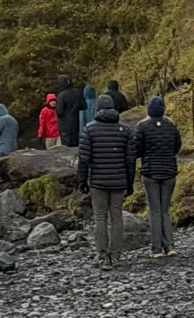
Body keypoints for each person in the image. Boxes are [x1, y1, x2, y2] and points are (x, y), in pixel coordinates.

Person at [78, 93, 136, 268]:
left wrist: (82, 180)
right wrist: (130, 182)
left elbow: (84, 159)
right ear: (113, 108)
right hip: (119, 181)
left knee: (100, 218)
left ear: (97, 108)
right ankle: (116, 255)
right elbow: (130, 160)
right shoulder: (125, 130)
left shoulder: (89, 129)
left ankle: (103, 256)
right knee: (116, 217)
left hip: (98, 182)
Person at [135, 95, 181, 257]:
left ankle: (156, 249)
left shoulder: (142, 127)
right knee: (165, 210)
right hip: (169, 171)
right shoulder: (172, 126)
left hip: (150, 172)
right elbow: (177, 147)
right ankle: (170, 246)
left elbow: (137, 150)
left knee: (154, 211)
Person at [55, 74, 82, 149]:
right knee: (75, 145)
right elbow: (83, 106)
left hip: (64, 125)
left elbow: (59, 112)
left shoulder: (61, 95)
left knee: (66, 147)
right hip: (75, 123)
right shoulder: (78, 92)